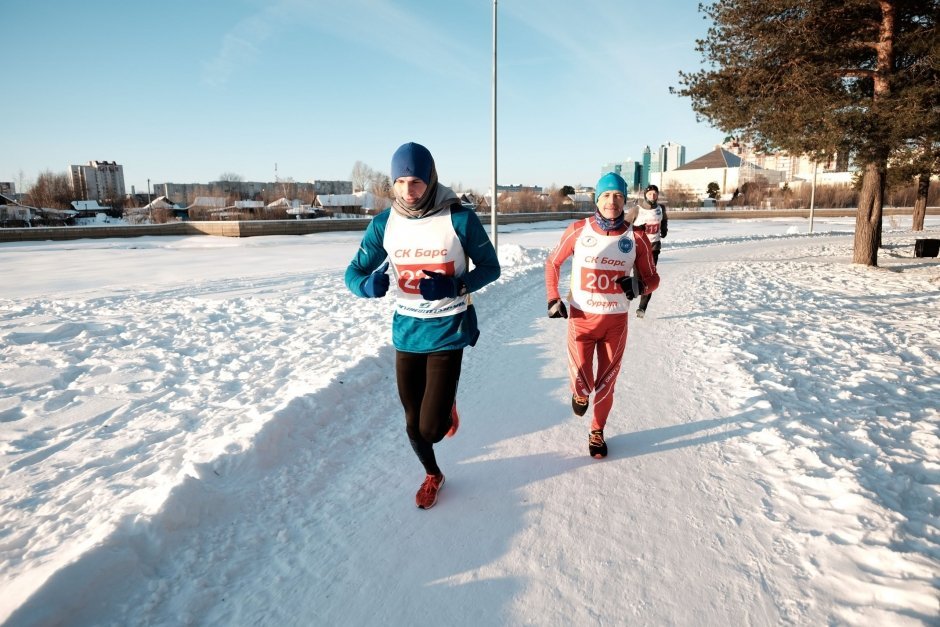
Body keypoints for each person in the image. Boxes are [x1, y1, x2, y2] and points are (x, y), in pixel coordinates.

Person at [345, 142, 500, 509]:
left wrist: (457, 285)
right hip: (407, 334)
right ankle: (433, 474)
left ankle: (445, 406)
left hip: (448, 331)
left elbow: (491, 268)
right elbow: (353, 272)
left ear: (430, 179)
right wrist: (366, 286)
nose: (408, 191)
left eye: (415, 181)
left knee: (432, 428)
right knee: (413, 425)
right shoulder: (385, 224)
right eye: (399, 182)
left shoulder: (459, 219)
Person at [544, 172, 659, 459]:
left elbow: (653, 279)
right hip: (582, 319)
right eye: (606, 195)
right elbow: (552, 263)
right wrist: (553, 298)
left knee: (607, 381)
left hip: (615, 323)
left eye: (618, 195)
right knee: (584, 379)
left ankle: (597, 431)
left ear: (625, 200)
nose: (612, 201)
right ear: (597, 199)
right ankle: (579, 392)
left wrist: (639, 285)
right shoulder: (578, 230)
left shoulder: (638, 238)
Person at [631, 184, 668, 318]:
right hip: (638, 249)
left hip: (654, 248)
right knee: (638, 277)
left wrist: (664, 229)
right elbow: (625, 225)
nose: (653, 196)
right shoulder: (637, 210)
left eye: (655, 194)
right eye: (650, 194)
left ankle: (642, 308)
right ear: (645, 195)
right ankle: (633, 292)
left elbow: (663, 220)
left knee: (650, 278)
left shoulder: (661, 208)